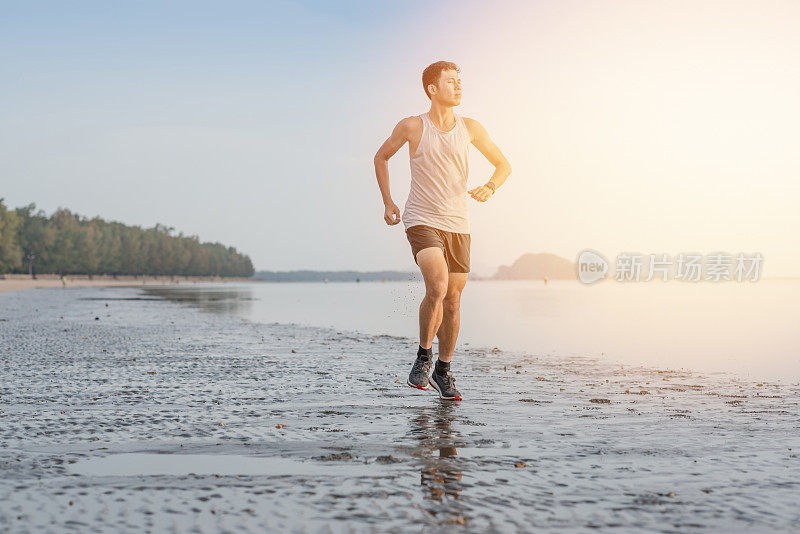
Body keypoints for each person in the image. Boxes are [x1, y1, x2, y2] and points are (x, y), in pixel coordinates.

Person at [373, 61, 511, 400]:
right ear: (432, 89)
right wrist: (389, 202)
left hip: (458, 223)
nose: (459, 87)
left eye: (460, 81)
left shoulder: (471, 128)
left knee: (453, 299)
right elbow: (381, 157)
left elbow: (503, 165)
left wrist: (489, 188)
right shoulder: (411, 126)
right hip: (421, 217)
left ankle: (443, 370)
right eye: (451, 82)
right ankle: (423, 356)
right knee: (438, 284)